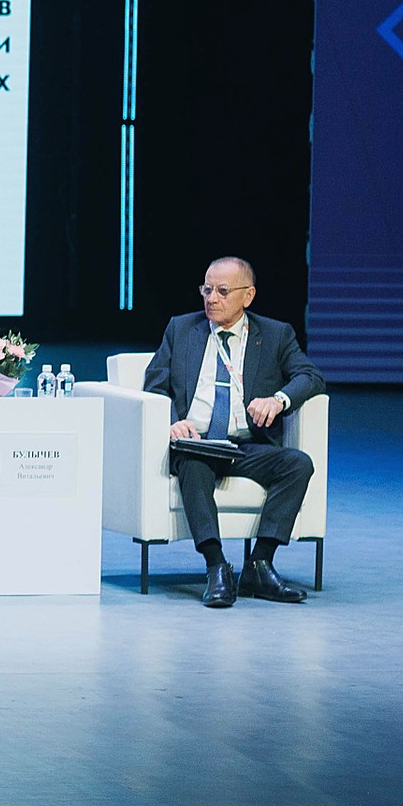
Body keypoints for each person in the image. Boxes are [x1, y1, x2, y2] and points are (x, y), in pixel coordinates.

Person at [141, 255, 325, 607]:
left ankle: (259, 564)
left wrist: (278, 400)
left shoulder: (275, 335)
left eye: (223, 291)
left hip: (245, 445)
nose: (212, 299)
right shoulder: (182, 329)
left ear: (248, 296)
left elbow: (311, 376)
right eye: (207, 289)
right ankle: (216, 566)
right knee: (193, 465)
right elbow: (154, 385)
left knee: (298, 464)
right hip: (196, 443)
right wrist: (170, 420)